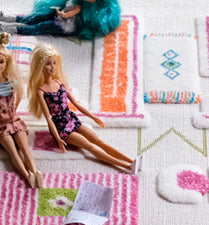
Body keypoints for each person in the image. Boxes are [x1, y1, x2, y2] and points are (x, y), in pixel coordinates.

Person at [27, 44, 136, 173]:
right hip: (61, 128)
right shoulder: (41, 91)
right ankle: (127, 167)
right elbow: (49, 118)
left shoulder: (60, 83)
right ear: (41, 66)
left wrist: (93, 117)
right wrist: (58, 139)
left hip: (71, 119)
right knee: (90, 147)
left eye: (54, 63)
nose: (52, 67)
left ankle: (132, 161)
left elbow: (76, 103)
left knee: (99, 142)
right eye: (48, 64)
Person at [0, 33, 41, 188]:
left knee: (25, 149)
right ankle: (27, 175)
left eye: (1, 62)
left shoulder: (12, 83)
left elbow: (19, 95)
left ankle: (36, 172)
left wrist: (13, 110)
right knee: (13, 152)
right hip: (0, 126)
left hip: (15, 121)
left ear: (7, 63)